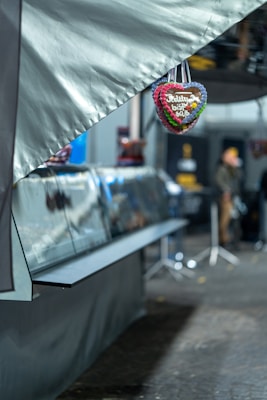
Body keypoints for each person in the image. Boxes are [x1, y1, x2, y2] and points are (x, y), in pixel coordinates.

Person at [214, 147, 243, 248]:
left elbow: (239, 179)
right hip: (226, 198)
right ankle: (223, 240)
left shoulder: (233, 169)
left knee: (235, 220)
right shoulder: (221, 169)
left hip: (235, 197)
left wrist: (236, 166)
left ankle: (233, 240)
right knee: (224, 220)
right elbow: (219, 181)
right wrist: (226, 191)